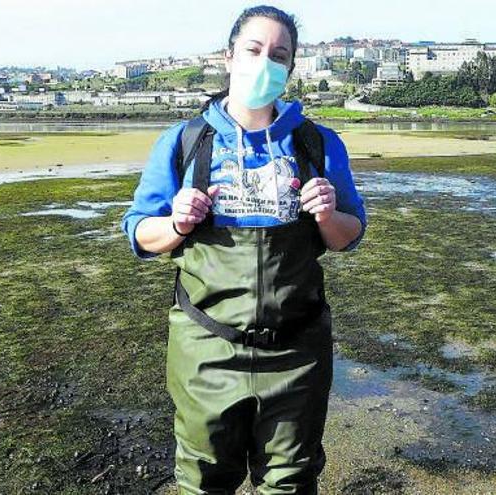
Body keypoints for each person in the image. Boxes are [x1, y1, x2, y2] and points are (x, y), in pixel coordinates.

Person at [120, 5, 367, 493]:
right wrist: (176, 221)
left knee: (291, 481)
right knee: (203, 479)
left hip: (298, 352)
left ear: (291, 70)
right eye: (254, 50)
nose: (264, 63)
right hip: (206, 349)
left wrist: (326, 213)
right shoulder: (186, 141)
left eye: (279, 55)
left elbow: (349, 235)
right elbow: (139, 235)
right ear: (229, 57)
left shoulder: (318, 143)